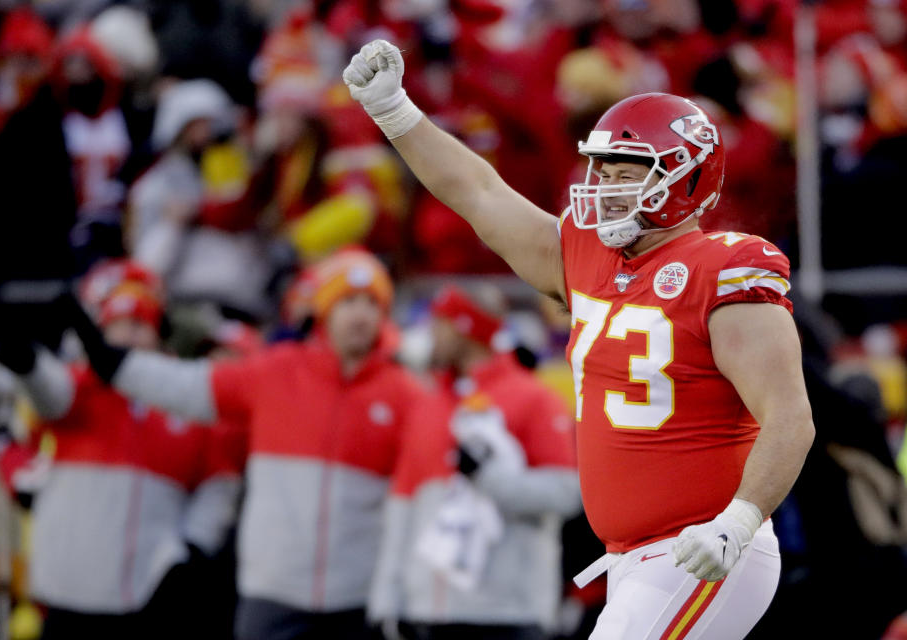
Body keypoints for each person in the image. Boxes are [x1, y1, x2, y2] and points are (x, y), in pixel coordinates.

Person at [343, 41, 815, 639]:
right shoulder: (588, 256)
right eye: (604, 171)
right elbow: (479, 193)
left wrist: (739, 520)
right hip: (634, 557)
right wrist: (394, 111)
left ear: (689, 179)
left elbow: (790, 418)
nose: (608, 188)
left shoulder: (724, 268)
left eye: (628, 173)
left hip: (703, 551)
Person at [64, 247, 424, 640]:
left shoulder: (404, 395)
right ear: (324, 310)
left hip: (355, 597)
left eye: (372, 303)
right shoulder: (276, 370)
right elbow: (189, 386)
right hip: (273, 591)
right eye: (348, 301)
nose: (360, 314)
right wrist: (113, 362)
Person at [0, 264, 243, 640]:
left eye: (140, 325)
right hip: (68, 586)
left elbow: (218, 481)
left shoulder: (183, 397)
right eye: (118, 325)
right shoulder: (81, 384)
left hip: (148, 585)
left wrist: (194, 544)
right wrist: (26, 361)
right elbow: (49, 391)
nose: (128, 335)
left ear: (160, 334)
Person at [369, 284, 581, 640]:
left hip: (508, 613)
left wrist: (490, 477)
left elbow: (566, 494)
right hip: (430, 612)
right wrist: (387, 600)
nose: (430, 333)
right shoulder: (428, 403)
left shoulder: (534, 398)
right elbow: (403, 504)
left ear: (465, 327)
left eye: (439, 322)